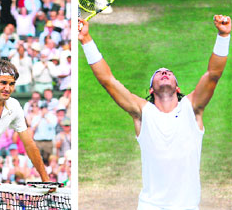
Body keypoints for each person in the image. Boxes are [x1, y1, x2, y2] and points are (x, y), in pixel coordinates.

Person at [78, 15, 231, 210]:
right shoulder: (143, 112)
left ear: (177, 87)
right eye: (159, 73)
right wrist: (86, 40)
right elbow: (108, 81)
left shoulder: (192, 108)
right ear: (151, 90)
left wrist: (223, 36)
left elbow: (213, 75)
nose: (164, 73)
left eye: (168, 72)